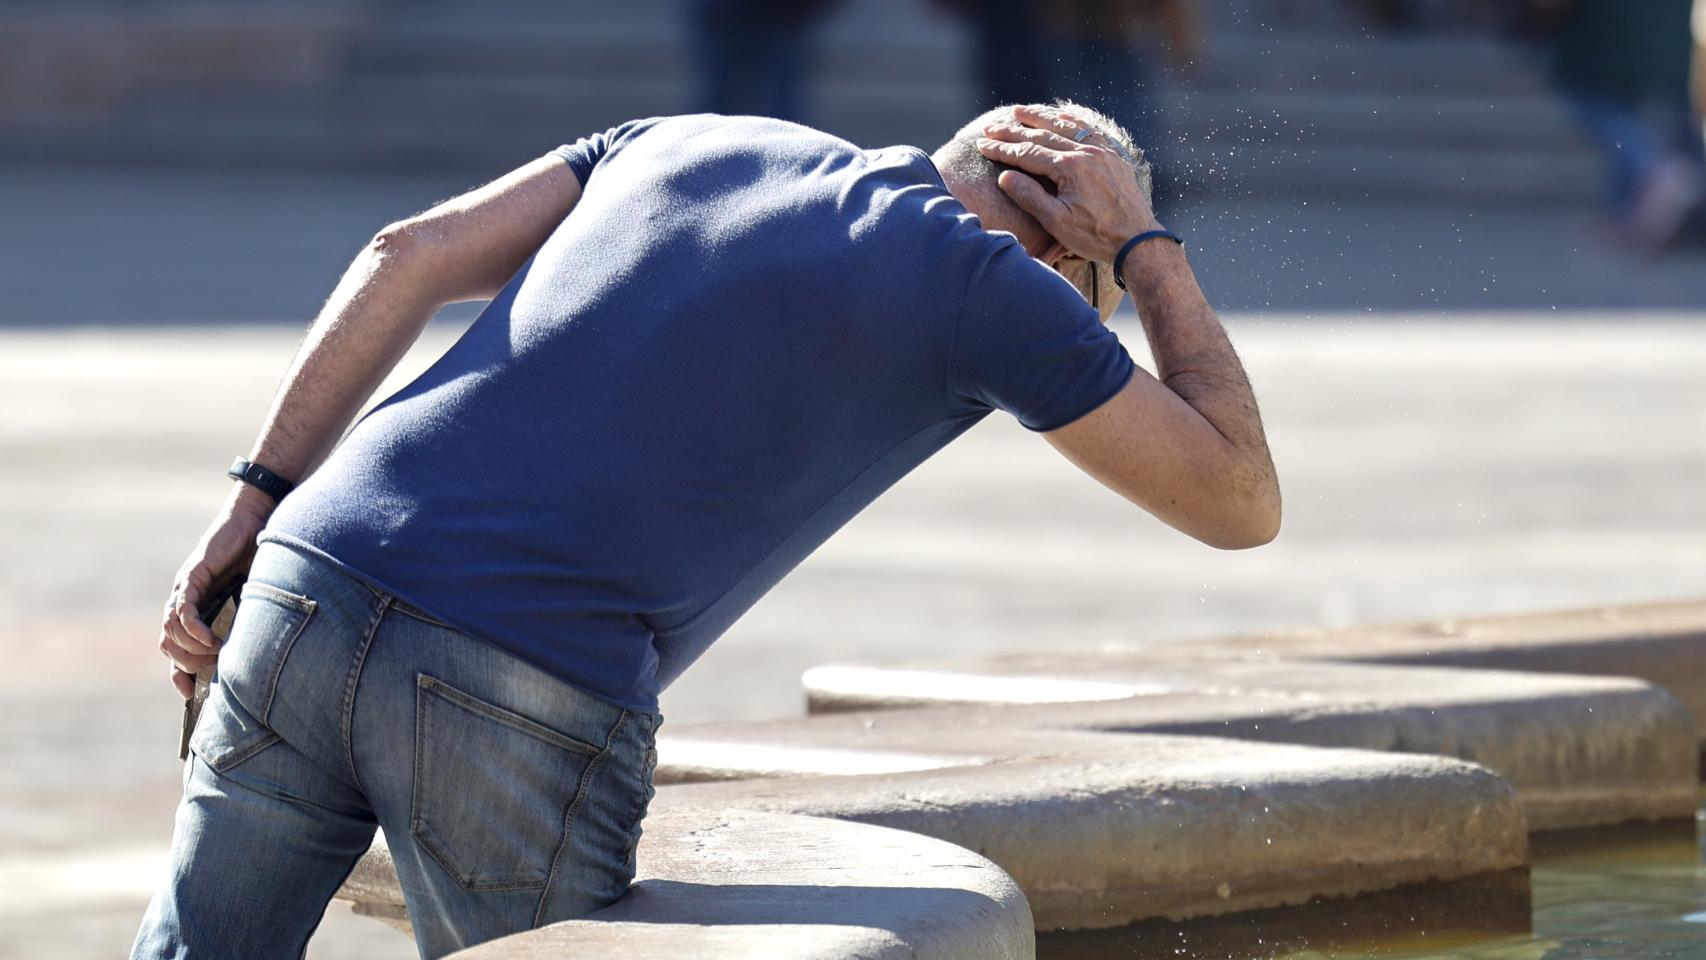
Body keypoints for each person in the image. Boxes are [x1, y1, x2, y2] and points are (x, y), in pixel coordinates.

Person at [137, 102, 1280, 960]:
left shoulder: (686, 137)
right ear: (1058, 244)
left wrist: (252, 503)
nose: (1092, 320)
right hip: (517, 664)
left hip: (308, 575)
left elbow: (406, 253)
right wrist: (1148, 248)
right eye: (1097, 300)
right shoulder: (994, 286)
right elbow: (1236, 500)